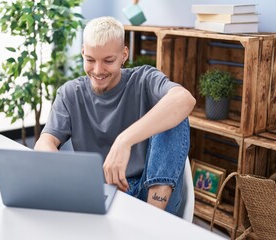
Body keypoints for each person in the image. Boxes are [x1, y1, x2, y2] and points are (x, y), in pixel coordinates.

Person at [34, 16, 196, 214]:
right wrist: (67, 177)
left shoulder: (144, 79)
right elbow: (44, 143)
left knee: (175, 114)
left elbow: (184, 99)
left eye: (108, 61)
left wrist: (124, 140)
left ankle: (152, 221)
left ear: (123, 54)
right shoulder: (70, 93)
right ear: (83, 52)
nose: (98, 70)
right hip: (100, 194)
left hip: (150, 194)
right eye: (90, 60)